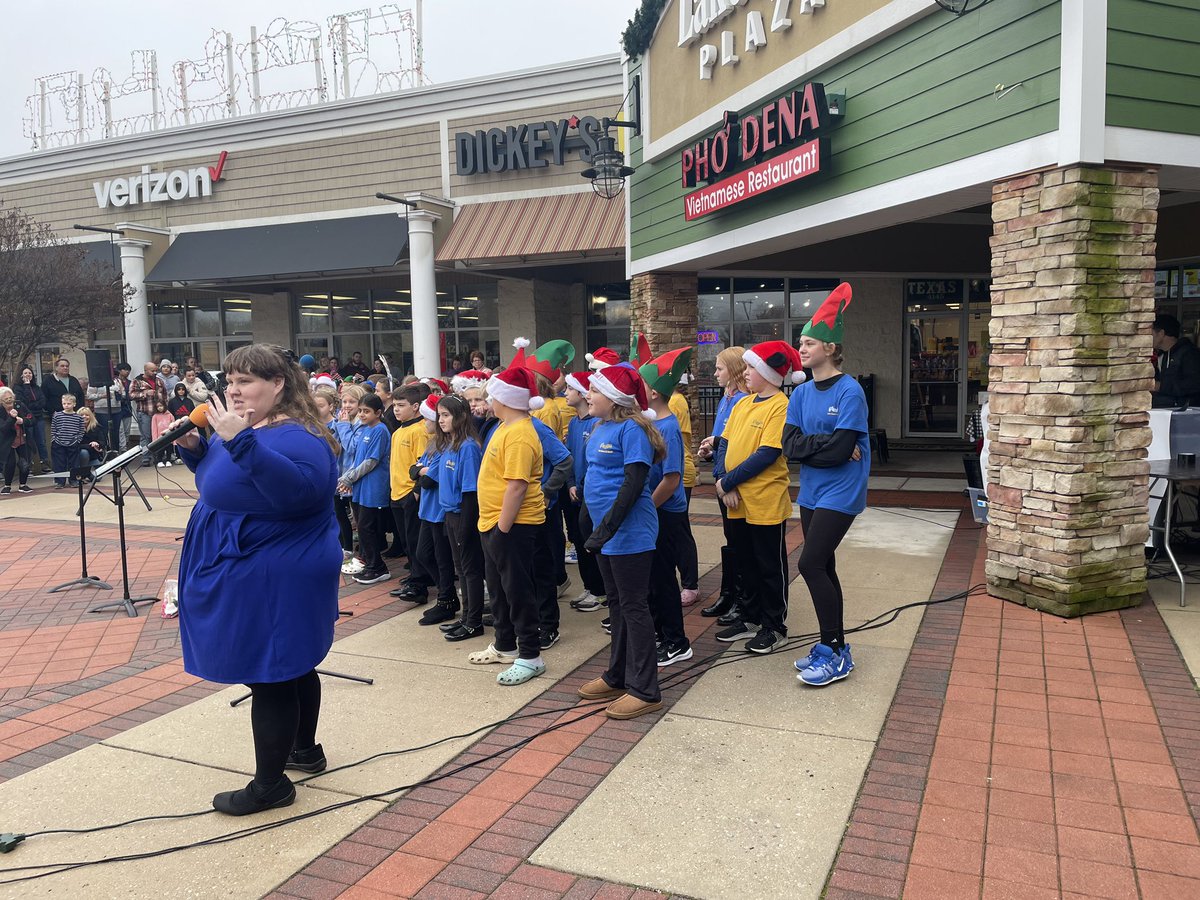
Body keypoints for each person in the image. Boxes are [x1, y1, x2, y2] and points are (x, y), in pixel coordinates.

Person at [174, 344, 341, 816]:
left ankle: (271, 786)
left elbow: (297, 494)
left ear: (279, 385)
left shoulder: (299, 438)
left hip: (277, 569)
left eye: (245, 381)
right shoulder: (251, 428)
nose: (233, 389)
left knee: (271, 674)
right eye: (229, 381)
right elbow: (227, 478)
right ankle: (303, 750)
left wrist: (238, 442)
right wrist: (197, 450)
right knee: (293, 664)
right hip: (259, 561)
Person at [784, 284, 870, 686]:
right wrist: (828, 444)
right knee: (826, 565)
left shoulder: (850, 390)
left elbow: (840, 453)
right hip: (813, 489)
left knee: (809, 563)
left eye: (809, 342)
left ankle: (834, 651)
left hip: (842, 490)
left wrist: (820, 447)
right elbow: (789, 445)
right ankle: (833, 647)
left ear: (830, 348)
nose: (801, 348)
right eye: (801, 342)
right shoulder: (800, 392)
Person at [576, 364, 665, 720]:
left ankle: (645, 689)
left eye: (594, 391)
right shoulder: (599, 427)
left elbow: (631, 485)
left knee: (634, 606)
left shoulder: (632, 430)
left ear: (613, 397)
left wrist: (606, 528)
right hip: (605, 535)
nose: (588, 395)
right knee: (616, 604)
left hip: (629, 534)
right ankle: (618, 674)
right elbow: (594, 477)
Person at [715, 339, 804, 655]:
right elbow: (724, 444)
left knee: (769, 564)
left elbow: (767, 453)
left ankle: (774, 626)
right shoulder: (742, 403)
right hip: (736, 497)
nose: (746, 372)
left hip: (764, 499)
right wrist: (721, 481)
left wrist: (727, 481)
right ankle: (750, 617)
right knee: (744, 562)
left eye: (752, 367)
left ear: (768, 372)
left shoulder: (781, 405)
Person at [467, 365, 546, 686]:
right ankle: (505, 644)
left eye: (491, 396)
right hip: (495, 523)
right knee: (498, 589)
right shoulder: (503, 427)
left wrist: (501, 529)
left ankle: (530, 655)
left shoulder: (520, 434)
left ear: (506, 399)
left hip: (513, 526)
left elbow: (517, 486)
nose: (486, 401)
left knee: (518, 591)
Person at [640, 347, 696, 667]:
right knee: (652, 578)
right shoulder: (651, 423)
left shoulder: (670, 428)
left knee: (663, 578)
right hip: (653, 510)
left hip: (665, 512)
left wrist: (647, 505)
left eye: (641, 384)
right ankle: (662, 634)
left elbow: (672, 479)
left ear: (654, 391)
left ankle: (677, 641)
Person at [698, 346, 750, 620]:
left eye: (719, 368)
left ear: (734, 370)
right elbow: (724, 439)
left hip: (733, 481)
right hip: (721, 476)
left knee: (740, 540)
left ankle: (741, 600)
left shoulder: (744, 399)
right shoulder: (726, 398)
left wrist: (730, 481)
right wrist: (712, 450)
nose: (715, 373)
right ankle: (728, 594)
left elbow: (743, 445)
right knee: (731, 539)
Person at [433, 395, 486, 642]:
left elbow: (470, 492)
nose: (441, 420)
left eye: (446, 415)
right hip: (450, 514)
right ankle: (466, 616)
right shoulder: (448, 445)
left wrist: (466, 527)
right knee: (461, 569)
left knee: (471, 568)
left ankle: (474, 621)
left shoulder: (468, 447)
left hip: (463, 515)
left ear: (461, 416)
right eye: (439, 415)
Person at [411, 395, 460, 625]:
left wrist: (421, 471)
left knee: (441, 558)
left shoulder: (448, 446)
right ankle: (445, 594)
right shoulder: (433, 444)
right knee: (423, 555)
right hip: (427, 510)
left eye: (428, 417)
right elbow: (414, 469)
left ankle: (447, 599)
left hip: (440, 510)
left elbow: (430, 479)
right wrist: (420, 471)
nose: (427, 422)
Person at [563, 371, 606, 613]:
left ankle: (600, 591)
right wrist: (570, 483)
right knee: (578, 540)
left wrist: (582, 486)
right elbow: (569, 456)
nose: (565, 393)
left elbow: (594, 463)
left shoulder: (595, 422)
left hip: (589, 493)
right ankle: (590, 586)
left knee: (590, 540)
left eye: (569, 389)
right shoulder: (573, 422)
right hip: (575, 492)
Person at [338, 393, 392, 585]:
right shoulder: (366, 429)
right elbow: (357, 459)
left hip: (373, 487)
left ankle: (377, 567)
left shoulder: (380, 430)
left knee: (367, 528)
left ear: (378, 412)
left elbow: (371, 461)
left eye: (366, 411)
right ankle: (371, 564)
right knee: (362, 527)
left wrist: (349, 477)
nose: (361, 414)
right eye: (360, 411)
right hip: (361, 486)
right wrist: (347, 478)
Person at [388, 383, 434, 600]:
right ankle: (416, 576)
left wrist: (416, 491)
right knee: (407, 540)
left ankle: (419, 584)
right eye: (395, 405)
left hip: (410, 494)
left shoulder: (420, 430)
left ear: (416, 406)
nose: (396, 409)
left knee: (415, 540)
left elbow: (423, 464)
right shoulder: (399, 431)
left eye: (401, 405)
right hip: (396, 492)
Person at [334, 384, 366, 574]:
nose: (347, 405)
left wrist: (344, 426)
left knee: (360, 519)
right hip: (344, 473)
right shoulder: (346, 421)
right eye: (344, 401)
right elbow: (339, 446)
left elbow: (353, 447)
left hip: (356, 476)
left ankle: (364, 555)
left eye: (351, 402)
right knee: (353, 515)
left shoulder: (360, 424)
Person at [1152, 313, 1200, 408]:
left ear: (1161, 334)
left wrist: (1160, 386)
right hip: (1168, 409)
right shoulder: (1162, 355)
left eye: (1151, 333)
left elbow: (1194, 384)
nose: (1147, 338)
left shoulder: (1189, 353)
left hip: (1187, 412)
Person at [129, 362, 167, 466]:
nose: (155, 372)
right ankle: (146, 456)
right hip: (145, 412)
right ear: (145, 370)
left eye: (156, 370)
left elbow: (164, 394)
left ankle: (158, 456)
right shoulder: (137, 381)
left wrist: (164, 408)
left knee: (159, 435)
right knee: (146, 436)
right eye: (152, 370)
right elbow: (131, 395)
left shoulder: (159, 380)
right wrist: (144, 394)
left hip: (159, 413)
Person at [13, 365, 49, 474]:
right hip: (27, 418)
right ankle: (29, 465)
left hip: (39, 417)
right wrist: (27, 386)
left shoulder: (37, 387)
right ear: (21, 375)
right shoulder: (18, 388)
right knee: (29, 441)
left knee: (41, 441)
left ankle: (45, 463)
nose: (28, 375)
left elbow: (42, 401)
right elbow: (24, 402)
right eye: (25, 373)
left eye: (30, 373)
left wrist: (34, 404)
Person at [0, 387, 33, 494]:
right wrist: (11, 417)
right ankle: (7, 485)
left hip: (22, 437)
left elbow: (32, 419)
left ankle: (23, 484)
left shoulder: (20, 405)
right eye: (6, 399)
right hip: (7, 440)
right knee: (10, 463)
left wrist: (23, 420)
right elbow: (4, 428)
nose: (10, 401)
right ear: (1, 401)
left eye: (11, 398)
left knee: (25, 462)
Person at [85, 367, 126, 452]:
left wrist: (121, 393)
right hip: (102, 410)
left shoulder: (117, 381)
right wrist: (101, 396)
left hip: (116, 409)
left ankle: (116, 451)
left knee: (116, 432)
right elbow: (89, 395)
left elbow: (124, 395)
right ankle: (105, 452)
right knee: (104, 432)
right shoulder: (96, 381)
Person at [51, 394, 86, 488]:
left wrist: (77, 440)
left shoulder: (78, 417)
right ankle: (60, 481)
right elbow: (54, 428)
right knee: (59, 463)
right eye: (64, 403)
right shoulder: (57, 415)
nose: (66, 405)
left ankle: (73, 480)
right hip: (58, 442)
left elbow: (81, 430)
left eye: (69, 403)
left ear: (74, 404)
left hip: (73, 442)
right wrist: (54, 439)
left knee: (74, 463)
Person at [75, 407, 106, 478]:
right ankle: (83, 474)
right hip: (80, 457)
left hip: (94, 456)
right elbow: (75, 445)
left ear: (91, 416)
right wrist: (90, 445)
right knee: (84, 452)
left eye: (87, 415)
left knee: (97, 478)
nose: (84, 417)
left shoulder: (97, 427)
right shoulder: (75, 429)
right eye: (81, 415)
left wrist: (97, 443)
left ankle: (87, 474)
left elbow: (103, 443)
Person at [114, 363, 135, 452]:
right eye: (125, 369)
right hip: (117, 408)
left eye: (129, 370)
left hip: (127, 409)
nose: (127, 372)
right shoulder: (115, 381)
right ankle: (122, 449)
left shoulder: (130, 382)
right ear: (119, 370)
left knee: (127, 431)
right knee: (120, 431)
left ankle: (125, 447)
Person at [150, 401, 176, 467]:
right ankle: (159, 461)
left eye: (161, 406)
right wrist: (155, 439)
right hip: (160, 437)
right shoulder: (155, 416)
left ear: (164, 406)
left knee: (169, 449)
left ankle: (168, 460)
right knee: (160, 450)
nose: (160, 408)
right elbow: (154, 429)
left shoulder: (170, 415)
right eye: (158, 407)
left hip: (169, 436)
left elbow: (174, 426)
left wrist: (174, 439)